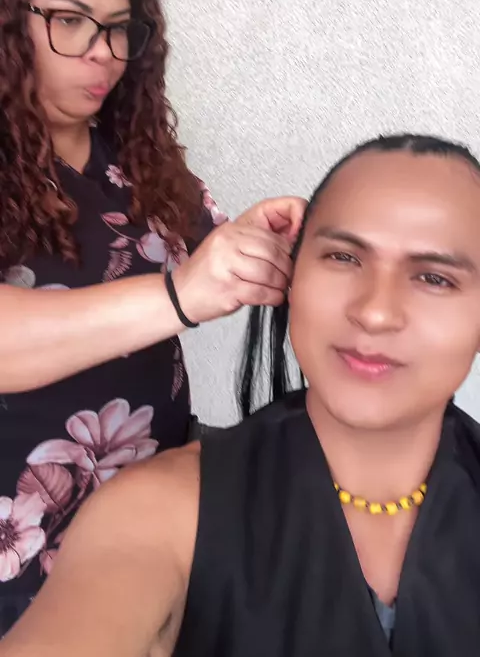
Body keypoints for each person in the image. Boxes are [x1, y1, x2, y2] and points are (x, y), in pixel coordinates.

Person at [4, 132, 480, 656]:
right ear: (289, 275)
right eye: (344, 257)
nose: (375, 311)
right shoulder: (160, 512)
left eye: (434, 278)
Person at [0, 0, 306, 633]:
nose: (104, 54)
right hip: (19, 545)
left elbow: (217, 251)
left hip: (144, 525)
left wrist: (287, 246)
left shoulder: (134, 160)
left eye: (118, 28)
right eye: (69, 21)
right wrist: (179, 295)